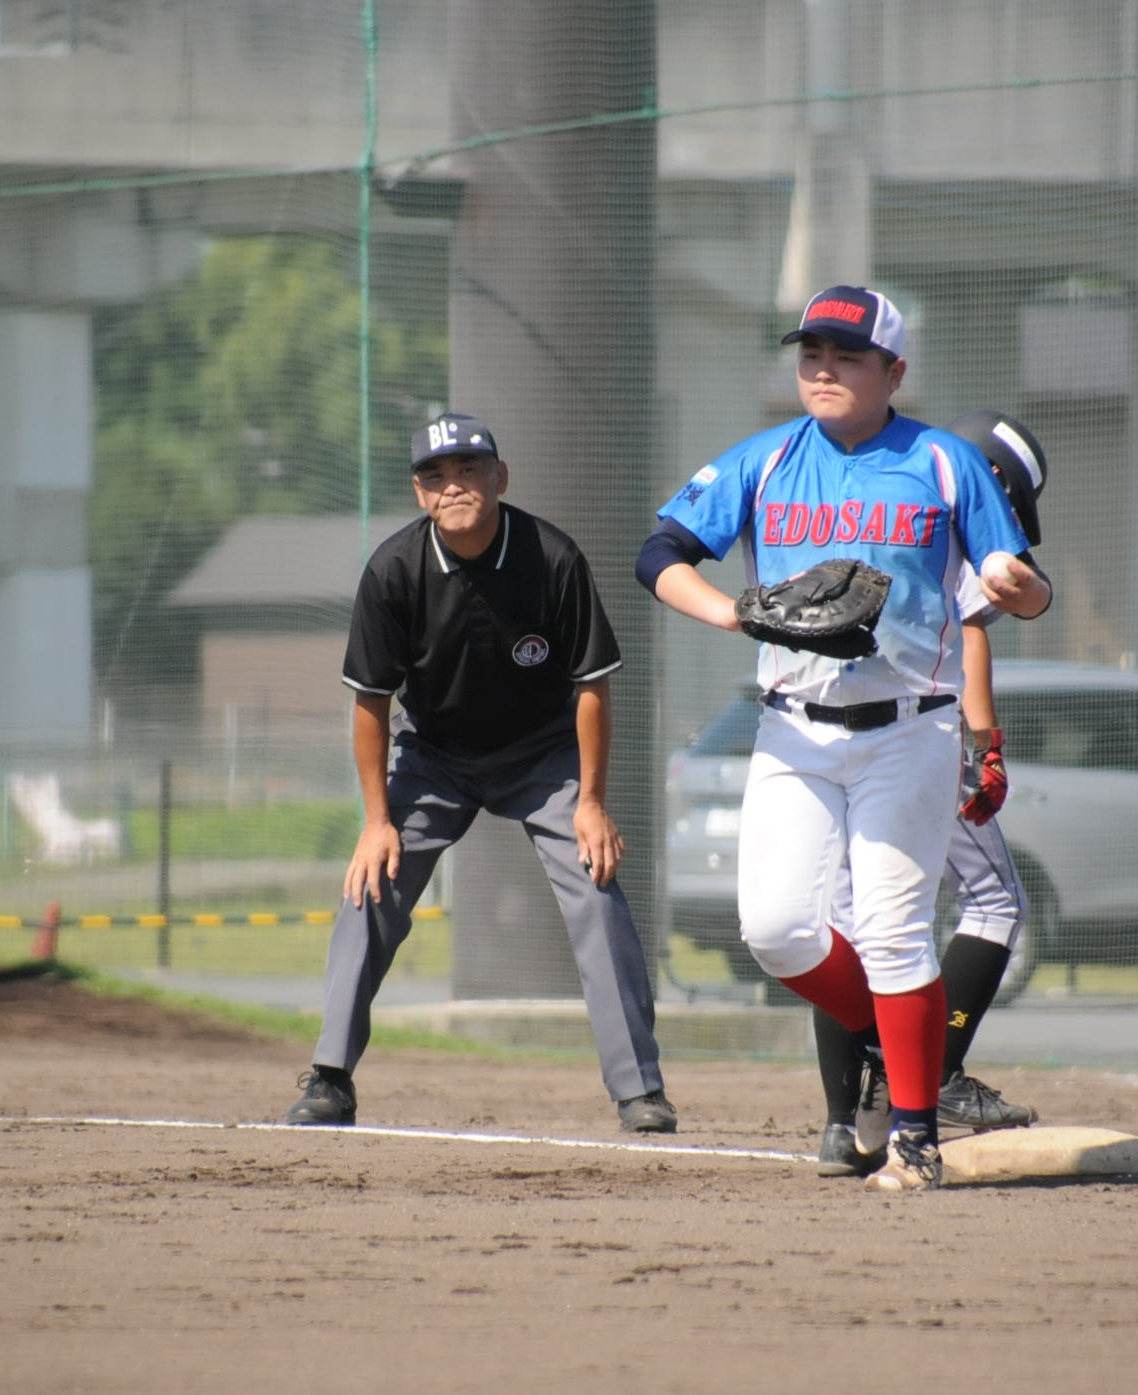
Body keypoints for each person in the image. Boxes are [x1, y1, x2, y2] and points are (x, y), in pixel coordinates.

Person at [637, 288, 1048, 1189]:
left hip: (911, 731)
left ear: (894, 371)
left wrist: (1019, 587)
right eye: (811, 353)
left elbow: (1017, 583)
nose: (823, 369)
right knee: (776, 930)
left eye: (847, 355)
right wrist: (735, 614)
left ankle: (913, 1136)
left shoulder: (943, 462)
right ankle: (890, 1049)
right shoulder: (766, 458)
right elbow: (658, 555)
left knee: (895, 935)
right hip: (792, 731)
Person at [285, 414, 675, 1134]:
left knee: (595, 886)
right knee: (370, 884)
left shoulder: (551, 556)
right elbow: (371, 702)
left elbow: (592, 686)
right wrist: (376, 823)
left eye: (469, 469)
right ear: (419, 492)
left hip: (544, 756)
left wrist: (591, 802)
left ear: (500, 477)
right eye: (435, 475)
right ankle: (330, 1077)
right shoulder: (394, 569)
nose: (454, 485)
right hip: (434, 758)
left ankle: (639, 1090)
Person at [812, 410, 1052, 1177]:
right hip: (915, 732)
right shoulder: (954, 510)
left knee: (847, 919)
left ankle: (842, 1125)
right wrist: (985, 745)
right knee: (993, 902)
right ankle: (933, 1071)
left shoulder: (860, 493)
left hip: (821, 726)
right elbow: (971, 630)